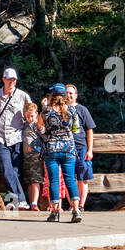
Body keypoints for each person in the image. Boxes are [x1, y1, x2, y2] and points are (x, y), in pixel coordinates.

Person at [0, 68, 31, 207]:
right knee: (6, 168)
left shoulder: (23, 96)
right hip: (0, 138)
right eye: (9, 79)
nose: (12, 82)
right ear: (3, 79)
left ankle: (12, 205)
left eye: (14, 79)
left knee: (15, 172)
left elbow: (31, 113)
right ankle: (21, 198)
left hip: (17, 138)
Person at [36, 83, 82, 222]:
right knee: (70, 180)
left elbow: (40, 129)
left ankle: (55, 212)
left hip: (51, 150)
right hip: (68, 149)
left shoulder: (46, 111)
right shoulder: (73, 110)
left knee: (54, 180)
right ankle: (76, 210)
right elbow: (76, 130)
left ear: (52, 95)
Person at [65, 84, 97, 216]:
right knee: (68, 178)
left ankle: (81, 206)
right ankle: (73, 205)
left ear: (76, 95)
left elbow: (90, 130)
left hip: (81, 148)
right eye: (66, 93)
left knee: (83, 178)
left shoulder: (83, 110)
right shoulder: (60, 110)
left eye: (71, 93)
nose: (69, 95)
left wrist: (90, 150)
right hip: (65, 148)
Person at [20, 101, 45, 210]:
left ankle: (34, 203)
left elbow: (44, 134)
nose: (30, 118)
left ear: (36, 115)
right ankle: (31, 203)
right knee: (29, 182)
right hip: (26, 157)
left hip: (36, 156)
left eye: (32, 116)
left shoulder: (36, 126)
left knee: (35, 181)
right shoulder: (24, 126)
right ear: (25, 114)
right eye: (28, 116)